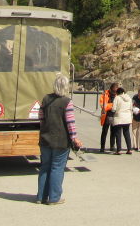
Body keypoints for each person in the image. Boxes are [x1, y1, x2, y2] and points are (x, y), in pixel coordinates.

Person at [37, 74, 82, 205]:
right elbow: (70, 122)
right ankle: (54, 197)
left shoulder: (46, 99)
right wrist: (74, 138)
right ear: (66, 87)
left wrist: (45, 129)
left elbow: (40, 118)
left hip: (45, 138)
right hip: (61, 140)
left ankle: (41, 196)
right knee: (57, 168)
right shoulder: (66, 102)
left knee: (45, 167)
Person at [112, 87, 133, 154]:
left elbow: (114, 108)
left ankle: (119, 150)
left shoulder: (117, 98)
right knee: (127, 133)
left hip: (119, 117)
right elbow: (131, 107)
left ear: (117, 93)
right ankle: (129, 149)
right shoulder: (129, 98)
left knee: (118, 133)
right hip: (127, 117)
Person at [99, 81, 118, 153]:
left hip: (114, 115)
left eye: (116, 90)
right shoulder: (105, 94)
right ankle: (102, 147)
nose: (115, 91)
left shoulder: (117, 95)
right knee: (104, 132)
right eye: (114, 89)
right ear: (111, 88)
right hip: (106, 115)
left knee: (113, 132)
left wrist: (109, 105)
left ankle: (112, 146)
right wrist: (112, 105)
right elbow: (103, 106)